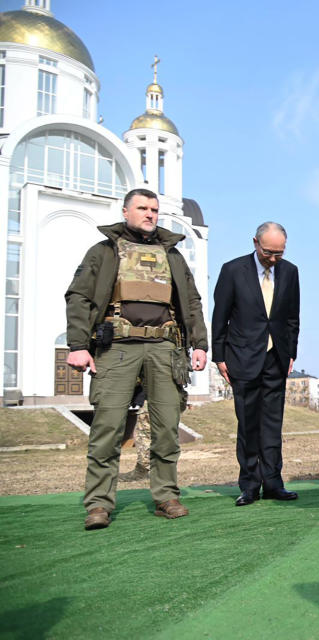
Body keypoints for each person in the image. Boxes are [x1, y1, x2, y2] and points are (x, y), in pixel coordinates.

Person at [66, 188, 208, 530]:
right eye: (142, 208)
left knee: (166, 428)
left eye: (154, 209)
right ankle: (99, 505)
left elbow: (191, 301)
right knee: (108, 428)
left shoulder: (172, 254)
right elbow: (79, 296)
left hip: (164, 348)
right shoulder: (104, 251)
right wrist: (77, 344)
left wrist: (200, 343)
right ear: (126, 211)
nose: (150, 214)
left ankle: (166, 497)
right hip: (116, 348)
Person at [212, 222, 301, 506]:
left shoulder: (290, 272)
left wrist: (291, 353)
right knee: (249, 423)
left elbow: (292, 318)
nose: (273, 259)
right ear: (255, 243)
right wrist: (219, 355)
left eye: (279, 253)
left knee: (273, 424)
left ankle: (274, 482)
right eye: (268, 252)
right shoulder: (232, 270)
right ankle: (249, 484)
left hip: (277, 358)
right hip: (242, 357)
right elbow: (220, 316)